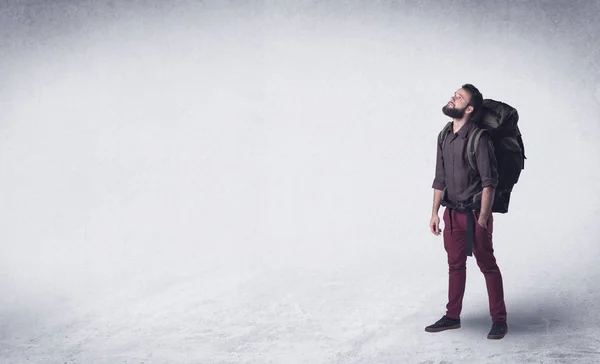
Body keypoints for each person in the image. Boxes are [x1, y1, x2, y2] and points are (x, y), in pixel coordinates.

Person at [425, 84, 508, 340]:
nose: (452, 98)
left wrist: (483, 218)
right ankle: (452, 316)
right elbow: (440, 178)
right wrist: (434, 213)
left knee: (487, 266)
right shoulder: (444, 134)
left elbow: (489, 182)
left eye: (458, 97)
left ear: (469, 109)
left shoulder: (479, 138)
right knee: (455, 265)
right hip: (451, 214)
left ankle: (499, 320)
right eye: (454, 94)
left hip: (474, 215)